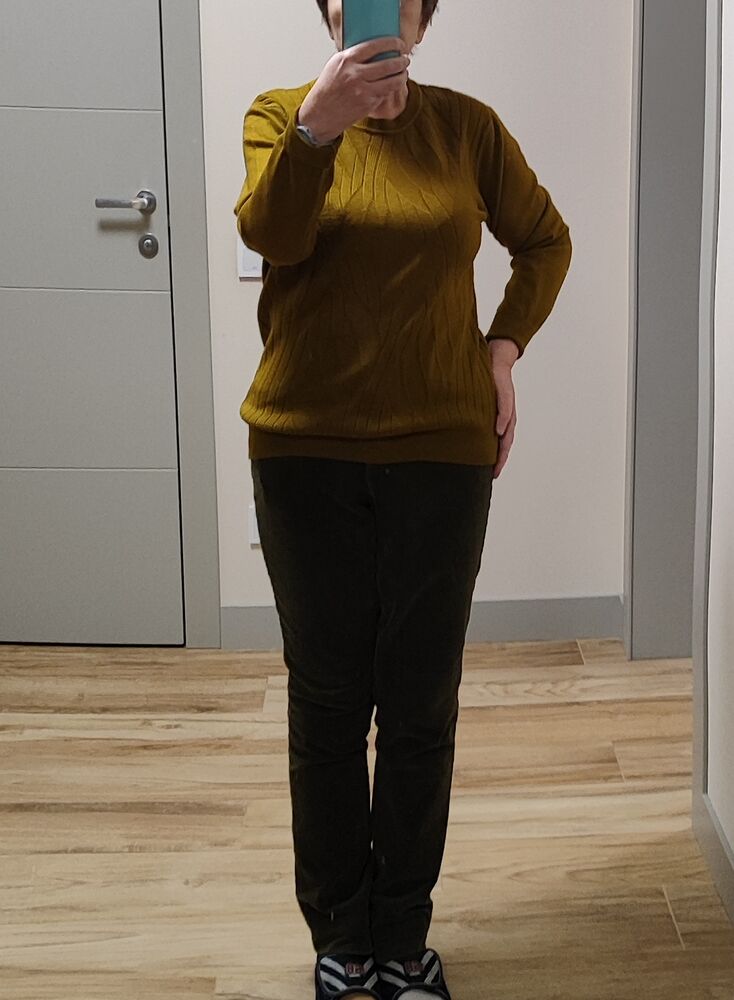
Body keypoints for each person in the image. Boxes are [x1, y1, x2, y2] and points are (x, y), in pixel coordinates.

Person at [233, 2, 572, 997]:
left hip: (441, 454)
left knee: (420, 704)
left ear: (422, 16)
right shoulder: (278, 114)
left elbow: (544, 241)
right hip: (304, 452)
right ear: (328, 11)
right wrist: (318, 129)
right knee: (329, 700)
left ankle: (403, 936)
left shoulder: (466, 129)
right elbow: (271, 232)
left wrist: (500, 350)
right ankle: (341, 937)